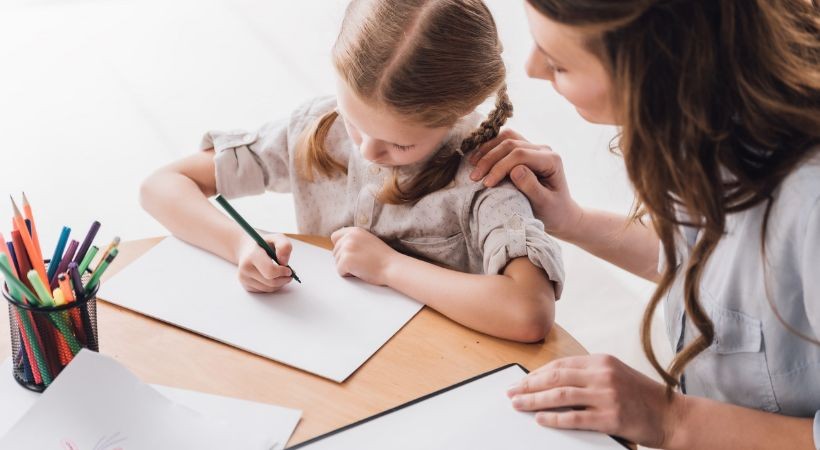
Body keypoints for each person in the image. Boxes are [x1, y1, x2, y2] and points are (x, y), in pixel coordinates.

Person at [470, 0, 820, 448]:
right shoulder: (712, 113)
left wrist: (670, 419)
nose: (532, 68)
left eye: (558, 64)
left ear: (659, 68)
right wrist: (571, 219)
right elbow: (711, 268)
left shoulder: (808, 205)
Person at [139, 0, 565, 343]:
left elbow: (528, 312)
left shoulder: (484, 175)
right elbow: (161, 186)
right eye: (355, 122)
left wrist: (390, 268)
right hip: (324, 346)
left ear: (460, 112)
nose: (369, 151)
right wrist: (239, 245)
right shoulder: (319, 129)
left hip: (435, 371)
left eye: (400, 144)